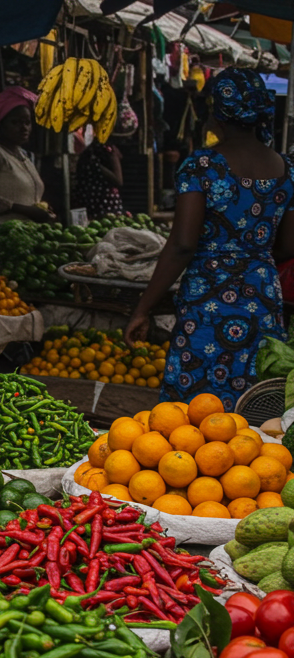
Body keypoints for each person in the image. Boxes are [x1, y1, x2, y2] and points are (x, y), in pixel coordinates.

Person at [126, 68, 294, 410]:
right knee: (255, 398)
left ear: (217, 111)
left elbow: (183, 244)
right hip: (261, 294)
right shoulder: (288, 169)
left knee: (197, 404)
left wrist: (142, 309)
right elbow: (288, 246)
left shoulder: (202, 166)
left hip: (209, 295)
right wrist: (251, 257)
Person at [0, 86, 56, 224]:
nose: (24, 128)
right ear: (1, 125)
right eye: (15, 122)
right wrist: (25, 210)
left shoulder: (23, 156)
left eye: (27, 122)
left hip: (24, 234)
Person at [76, 138, 126, 217]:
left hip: (92, 202)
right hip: (103, 204)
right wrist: (98, 166)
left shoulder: (89, 153)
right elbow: (118, 180)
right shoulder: (107, 151)